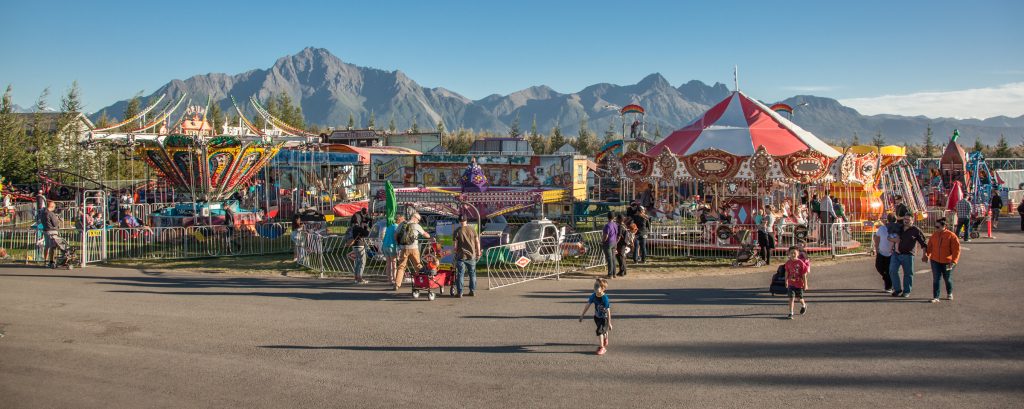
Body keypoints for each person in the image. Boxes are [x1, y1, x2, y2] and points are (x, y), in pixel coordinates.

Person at [888, 214, 927, 298]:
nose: (906, 221)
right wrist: (893, 239)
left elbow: (924, 243)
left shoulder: (916, 230)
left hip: (908, 255)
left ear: (912, 221)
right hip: (896, 254)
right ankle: (897, 289)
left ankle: (906, 291)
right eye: (905, 219)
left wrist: (925, 254)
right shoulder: (899, 228)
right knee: (892, 270)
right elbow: (889, 237)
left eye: (908, 220)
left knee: (908, 274)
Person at [924, 218, 960, 303]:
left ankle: (949, 293)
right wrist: (927, 255)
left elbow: (956, 250)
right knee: (936, 279)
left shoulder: (951, 236)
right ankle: (936, 297)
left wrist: (954, 261)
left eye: (937, 227)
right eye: (935, 226)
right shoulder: (934, 235)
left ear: (944, 226)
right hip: (935, 261)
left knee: (947, 279)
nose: (936, 228)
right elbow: (929, 247)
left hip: (948, 262)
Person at [394, 213, 430, 291]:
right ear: (415, 218)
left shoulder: (402, 224)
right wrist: (429, 235)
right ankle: (421, 283)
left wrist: (398, 244)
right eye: (418, 219)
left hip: (404, 248)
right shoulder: (416, 225)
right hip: (414, 248)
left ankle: (397, 284)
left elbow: (395, 234)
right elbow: (425, 235)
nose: (418, 221)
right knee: (418, 265)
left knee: (401, 266)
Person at [578, 278, 612, 355]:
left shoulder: (605, 298)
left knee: (599, 331)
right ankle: (605, 337)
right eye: (595, 285)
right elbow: (588, 305)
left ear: (603, 289)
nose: (595, 287)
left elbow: (608, 312)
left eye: (597, 286)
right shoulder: (593, 296)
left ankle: (602, 348)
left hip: (604, 318)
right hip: (597, 317)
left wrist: (609, 323)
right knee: (603, 331)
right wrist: (582, 315)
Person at [452, 215, 482, 297]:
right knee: (472, 274)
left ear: (459, 221)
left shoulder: (457, 231)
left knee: (460, 274)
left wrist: (455, 253)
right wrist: (478, 253)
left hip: (461, 256)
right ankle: (472, 291)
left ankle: (460, 292)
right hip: (471, 256)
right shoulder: (472, 230)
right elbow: (477, 242)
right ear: (466, 220)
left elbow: (455, 246)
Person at [872, 214, 897, 293]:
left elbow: (899, 240)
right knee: (879, 267)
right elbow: (877, 238)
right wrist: (876, 249)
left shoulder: (897, 230)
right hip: (881, 252)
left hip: (891, 254)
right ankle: (887, 280)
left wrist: (895, 248)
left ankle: (889, 286)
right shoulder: (882, 228)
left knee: (889, 270)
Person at [784, 247, 809, 319]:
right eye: (791, 253)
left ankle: (804, 305)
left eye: (794, 253)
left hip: (799, 284)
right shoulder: (788, 263)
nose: (793, 254)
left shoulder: (801, 263)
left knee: (799, 298)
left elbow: (804, 274)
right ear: (788, 254)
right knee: (791, 298)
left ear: (798, 254)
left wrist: (805, 284)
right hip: (791, 283)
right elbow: (786, 272)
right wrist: (786, 281)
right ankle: (791, 313)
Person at [41, 201, 63, 269]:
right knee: (52, 247)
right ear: (52, 207)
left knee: (47, 246)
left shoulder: (43, 213)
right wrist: (58, 220)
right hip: (52, 231)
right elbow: (55, 223)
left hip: (45, 230)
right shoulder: (51, 214)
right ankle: (51, 261)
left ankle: (45, 260)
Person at [347, 219, 370, 284]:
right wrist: (366, 227)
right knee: (362, 262)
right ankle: (360, 278)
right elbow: (367, 233)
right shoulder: (358, 228)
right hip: (360, 246)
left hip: (354, 246)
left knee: (357, 262)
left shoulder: (351, 229)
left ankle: (356, 278)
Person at [601, 213, 618, 279]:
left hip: (608, 243)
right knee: (613, 258)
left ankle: (610, 274)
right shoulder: (615, 224)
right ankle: (614, 273)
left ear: (607, 217)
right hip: (614, 242)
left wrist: (602, 241)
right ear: (614, 217)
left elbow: (606, 236)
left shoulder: (607, 225)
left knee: (609, 259)